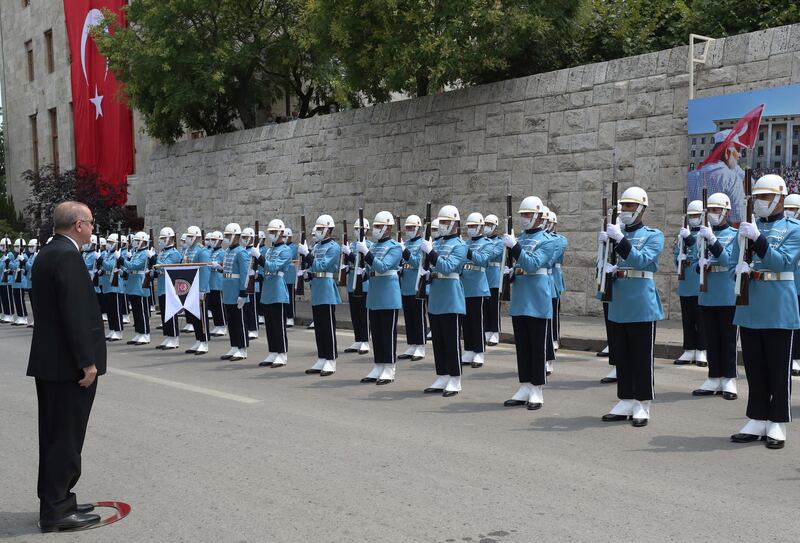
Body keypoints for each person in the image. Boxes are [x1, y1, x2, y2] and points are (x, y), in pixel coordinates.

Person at [27, 201, 106, 532]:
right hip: (67, 366)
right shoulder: (67, 256)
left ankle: (57, 499)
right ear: (77, 225)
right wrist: (86, 362)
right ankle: (58, 510)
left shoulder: (48, 253)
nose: (92, 228)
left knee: (54, 435)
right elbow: (73, 314)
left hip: (51, 362)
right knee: (65, 438)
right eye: (90, 222)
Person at [727, 174, 800, 449]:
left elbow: (783, 263)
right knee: (755, 367)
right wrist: (740, 266)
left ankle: (777, 421)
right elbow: (736, 259)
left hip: (778, 305)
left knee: (778, 369)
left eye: (766, 197)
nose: (760, 203)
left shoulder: (794, 229)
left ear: (780, 198)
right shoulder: (746, 228)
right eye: (757, 197)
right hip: (751, 303)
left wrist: (758, 239)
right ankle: (757, 418)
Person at [599, 186, 664, 427]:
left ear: (641, 209)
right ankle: (625, 399)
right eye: (622, 206)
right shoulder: (614, 234)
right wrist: (603, 249)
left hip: (640, 302)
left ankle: (642, 403)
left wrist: (619, 240)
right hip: (619, 301)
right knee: (622, 356)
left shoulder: (653, 235)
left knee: (641, 357)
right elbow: (602, 266)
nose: (624, 210)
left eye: (629, 206)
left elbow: (642, 260)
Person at [502, 196, 556, 410]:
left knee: (537, 347)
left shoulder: (547, 240)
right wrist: (510, 272)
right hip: (521, 298)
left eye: (527, 215)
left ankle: (537, 389)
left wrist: (514, 247)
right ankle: (524, 385)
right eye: (522, 215)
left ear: (538, 216)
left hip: (537, 297)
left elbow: (533, 264)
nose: (524, 219)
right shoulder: (521, 239)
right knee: (522, 347)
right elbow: (519, 265)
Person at [693, 193, 739, 399]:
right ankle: (713, 377)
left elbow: (729, 260)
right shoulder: (701, 235)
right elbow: (696, 263)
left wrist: (712, 240)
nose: (712, 214)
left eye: (716, 210)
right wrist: (699, 265)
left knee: (728, 340)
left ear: (726, 212)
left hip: (728, 293)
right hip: (708, 293)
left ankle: (729, 379)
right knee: (711, 339)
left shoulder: (735, 235)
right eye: (709, 210)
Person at [421, 205, 467, 397]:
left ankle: (455, 378)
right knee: (438, 340)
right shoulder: (437, 243)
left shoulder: (460, 245)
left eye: (447, 222)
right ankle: (442, 375)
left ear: (455, 223)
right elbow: (433, 266)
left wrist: (431, 253)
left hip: (451, 296)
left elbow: (449, 267)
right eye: (441, 222)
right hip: (436, 295)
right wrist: (427, 273)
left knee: (451, 340)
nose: (443, 225)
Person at [359, 211, 403, 384]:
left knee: (387, 333)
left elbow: (383, 267)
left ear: (388, 228)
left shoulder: (395, 247)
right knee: (376, 333)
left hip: (388, 295)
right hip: (375, 294)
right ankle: (378, 365)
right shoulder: (374, 246)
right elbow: (372, 268)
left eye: (378, 226)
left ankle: (389, 368)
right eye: (375, 226)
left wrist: (367, 254)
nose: (375, 229)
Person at [300, 214, 342, 376]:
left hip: (326, 289)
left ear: (328, 229)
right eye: (316, 228)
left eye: (320, 228)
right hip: (317, 288)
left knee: (328, 327)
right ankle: (322, 357)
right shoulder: (317, 246)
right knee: (319, 327)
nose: (317, 231)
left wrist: (308, 255)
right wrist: (306, 274)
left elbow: (322, 265)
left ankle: (331, 360)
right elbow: (313, 268)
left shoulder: (334, 247)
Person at [255, 219, 293, 368]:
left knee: (279, 325)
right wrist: (257, 273)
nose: (270, 235)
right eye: (269, 232)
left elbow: (273, 266)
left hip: (278, 290)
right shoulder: (270, 250)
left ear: (280, 233)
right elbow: (265, 270)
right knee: (269, 324)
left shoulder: (285, 250)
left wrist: (259, 257)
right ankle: (272, 351)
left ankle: (282, 354)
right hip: (267, 290)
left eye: (272, 232)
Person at [674, 200, 707, 366]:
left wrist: (691, 243)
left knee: (701, 320)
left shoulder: (706, 234)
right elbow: (675, 255)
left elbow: (701, 254)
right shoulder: (682, 234)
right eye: (691, 215)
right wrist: (679, 258)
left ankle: (701, 350)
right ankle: (689, 349)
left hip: (700, 284)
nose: (693, 218)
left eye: (696, 215)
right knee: (687, 320)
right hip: (686, 284)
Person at [461, 212, 491, 368]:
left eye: (473, 226)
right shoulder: (464, 243)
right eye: (469, 226)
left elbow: (483, 260)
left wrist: (469, 252)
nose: (470, 229)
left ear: (480, 227)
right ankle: (469, 349)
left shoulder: (487, 243)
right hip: (464, 287)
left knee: (477, 321)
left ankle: (479, 351)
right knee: (466, 321)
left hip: (477, 287)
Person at [219, 223, 251, 361]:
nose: (225, 238)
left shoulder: (241, 252)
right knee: (231, 320)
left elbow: (244, 274)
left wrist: (243, 293)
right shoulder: (227, 252)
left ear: (235, 236)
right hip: (228, 290)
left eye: (227, 235)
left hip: (237, 291)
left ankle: (242, 348)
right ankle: (234, 345)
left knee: (240, 321)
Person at [398, 215, 427, 361]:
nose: (409, 230)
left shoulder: (423, 244)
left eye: (411, 227)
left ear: (418, 228)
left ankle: (420, 346)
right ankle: (412, 344)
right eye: (407, 228)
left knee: (418, 316)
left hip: (417, 284)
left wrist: (405, 252)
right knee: (409, 316)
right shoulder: (407, 243)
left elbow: (418, 262)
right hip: (406, 284)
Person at [342, 217, 372, 354]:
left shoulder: (370, 245)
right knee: (354, 312)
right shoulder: (352, 245)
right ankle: (358, 339)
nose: (357, 231)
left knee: (363, 313)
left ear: (366, 230)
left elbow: (366, 263)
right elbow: (347, 262)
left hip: (364, 283)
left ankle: (365, 340)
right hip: (352, 282)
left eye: (359, 229)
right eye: (355, 229)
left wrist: (350, 255)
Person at [122, 231, 154, 345]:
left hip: (140, 284)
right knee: (136, 311)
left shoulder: (145, 253)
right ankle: (139, 333)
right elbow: (130, 267)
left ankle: (145, 334)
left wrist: (123, 261)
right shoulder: (136, 252)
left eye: (136, 240)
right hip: (133, 283)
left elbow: (135, 265)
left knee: (142, 311)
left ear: (142, 241)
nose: (134, 242)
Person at [183, 226, 212, 355]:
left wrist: (202, 289)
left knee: (201, 316)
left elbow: (205, 271)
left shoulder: (202, 252)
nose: (188, 239)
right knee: (193, 316)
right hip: (190, 288)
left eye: (190, 236)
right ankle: (198, 339)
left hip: (199, 288)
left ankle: (204, 341)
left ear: (196, 237)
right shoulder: (188, 251)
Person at [154, 227, 182, 349]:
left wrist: (157, 263)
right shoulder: (163, 252)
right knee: (164, 313)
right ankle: (168, 336)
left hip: (170, 286)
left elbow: (165, 267)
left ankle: (174, 338)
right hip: (162, 286)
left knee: (171, 313)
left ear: (170, 238)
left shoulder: (174, 254)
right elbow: (158, 266)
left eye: (163, 238)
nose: (161, 241)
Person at [482, 214, 504, 346]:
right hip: (484, 276)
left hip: (495, 276)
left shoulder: (500, 242)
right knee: (485, 307)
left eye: (489, 225)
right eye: (485, 224)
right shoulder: (483, 241)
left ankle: (495, 332)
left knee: (494, 307)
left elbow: (493, 254)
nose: (486, 227)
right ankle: (487, 330)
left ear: (495, 227)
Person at [784, 194, 800, 377]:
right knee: (793, 324)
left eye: (793, 210)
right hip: (790, 285)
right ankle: (794, 357)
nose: (789, 213)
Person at [206, 231, 228, 337]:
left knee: (219, 306)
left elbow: (225, 265)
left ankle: (223, 326)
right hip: (210, 282)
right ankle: (217, 324)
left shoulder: (223, 252)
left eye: (214, 240)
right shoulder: (210, 252)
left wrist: (218, 265)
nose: (212, 242)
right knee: (213, 306)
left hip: (218, 282)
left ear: (220, 240)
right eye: (211, 240)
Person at [283, 227, 297, 328]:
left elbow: (288, 256)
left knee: (290, 298)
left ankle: (290, 317)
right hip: (282, 277)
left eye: (285, 237)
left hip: (290, 276)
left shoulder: (293, 247)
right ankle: (284, 315)